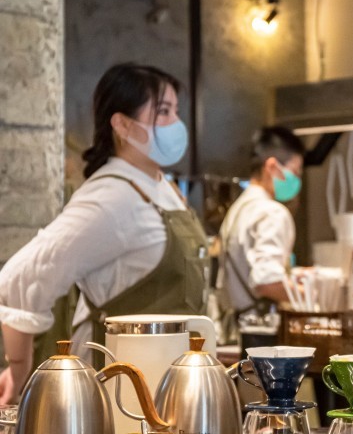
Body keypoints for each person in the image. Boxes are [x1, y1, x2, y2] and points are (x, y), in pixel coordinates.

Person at [0, 63, 208, 403]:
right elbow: (20, 277)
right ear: (123, 124)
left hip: (168, 384)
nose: (176, 124)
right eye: (163, 112)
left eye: (176, 111)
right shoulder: (112, 197)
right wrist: (19, 372)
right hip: (118, 392)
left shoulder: (160, 186)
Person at [215, 126, 304, 335]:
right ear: (272, 167)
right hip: (263, 334)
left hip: (235, 328)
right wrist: (314, 295)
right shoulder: (272, 212)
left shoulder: (237, 210)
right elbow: (266, 281)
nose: (297, 179)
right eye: (296, 171)